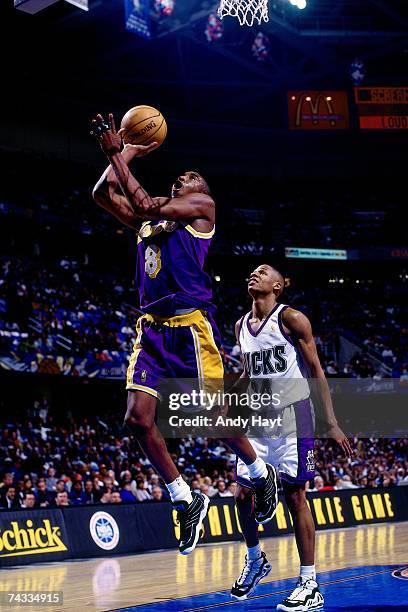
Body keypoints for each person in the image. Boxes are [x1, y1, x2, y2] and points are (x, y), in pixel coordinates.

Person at [91, 113, 277, 555]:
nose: (185, 177)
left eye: (193, 177)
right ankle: (184, 497)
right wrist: (131, 148)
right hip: (151, 330)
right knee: (136, 420)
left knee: (209, 418)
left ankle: (258, 469)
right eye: (181, 176)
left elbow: (147, 204)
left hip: (190, 328)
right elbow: (103, 194)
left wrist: (120, 153)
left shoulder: (203, 211)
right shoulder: (149, 219)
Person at [230, 264, 352, 610]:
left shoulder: (292, 319)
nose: (254, 274)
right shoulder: (240, 325)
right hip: (258, 417)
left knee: (295, 496)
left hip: (293, 416)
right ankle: (255, 560)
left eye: (263, 272)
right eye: (252, 271)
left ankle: (309, 583)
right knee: (241, 495)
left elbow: (315, 370)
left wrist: (330, 422)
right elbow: (248, 373)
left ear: (278, 286)